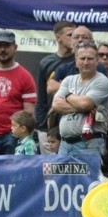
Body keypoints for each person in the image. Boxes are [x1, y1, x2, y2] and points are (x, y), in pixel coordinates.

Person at [51, 42, 108, 155]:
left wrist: (68, 95)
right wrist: (81, 106)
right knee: (62, 174)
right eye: (82, 58)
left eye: (90, 58)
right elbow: (55, 105)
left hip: (90, 144)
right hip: (64, 145)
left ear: (97, 60)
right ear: (76, 60)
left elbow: (85, 104)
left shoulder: (102, 81)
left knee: (89, 173)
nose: (86, 62)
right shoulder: (68, 80)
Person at [35, 21, 76, 153]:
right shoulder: (46, 62)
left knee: (73, 167)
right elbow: (42, 96)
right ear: (58, 38)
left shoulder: (80, 60)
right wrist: (41, 126)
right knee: (51, 168)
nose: (74, 38)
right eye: (70, 35)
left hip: (73, 121)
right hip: (49, 124)